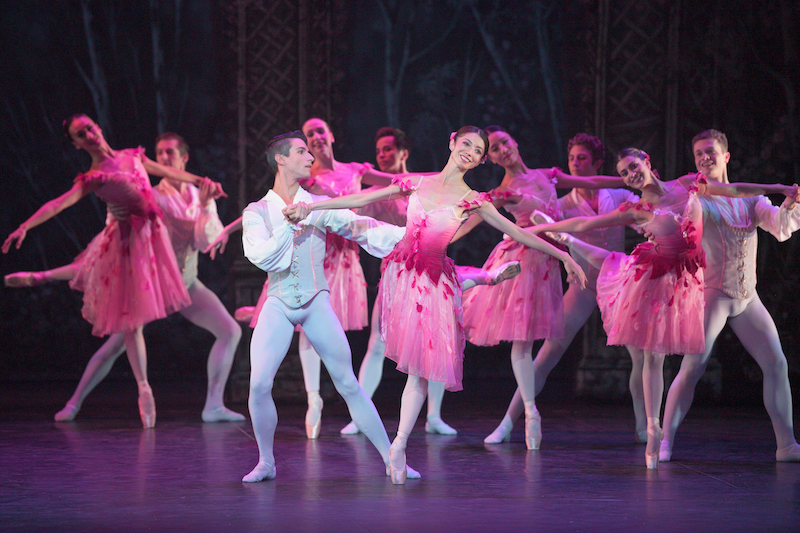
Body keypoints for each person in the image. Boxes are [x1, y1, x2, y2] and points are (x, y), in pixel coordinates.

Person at [284, 126, 588, 484]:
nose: (471, 152)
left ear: (479, 160)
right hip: (400, 273)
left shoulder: (474, 200)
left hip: (432, 285)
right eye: (467, 145)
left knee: (421, 373)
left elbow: (519, 232)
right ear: (452, 143)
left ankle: (397, 446)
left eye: (478, 151)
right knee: (385, 346)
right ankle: (388, 440)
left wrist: (564, 257)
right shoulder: (417, 182)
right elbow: (361, 201)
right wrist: (311, 207)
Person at [528, 147, 797, 468]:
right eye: (625, 172)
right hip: (659, 274)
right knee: (615, 272)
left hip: (688, 277)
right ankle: (661, 435)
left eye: (634, 166)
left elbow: (735, 189)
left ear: (647, 162)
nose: (631, 175)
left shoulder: (685, 185)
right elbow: (589, 223)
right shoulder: (637, 208)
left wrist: (778, 190)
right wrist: (540, 231)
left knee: (664, 358)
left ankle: (663, 432)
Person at [2, 114, 225, 428]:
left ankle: (43, 278)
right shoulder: (95, 176)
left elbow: (167, 171)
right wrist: (26, 225)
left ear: (99, 127)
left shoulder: (131, 157)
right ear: (78, 144)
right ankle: (144, 388)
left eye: (91, 127)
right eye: (82, 134)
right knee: (129, 324)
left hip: (152, 241)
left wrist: (201, 181)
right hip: (128, 244)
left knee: (115, 338)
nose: (90, 134)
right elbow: (58, 204)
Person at [241, 130, 420, 482]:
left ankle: (391, 458)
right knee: (259, 384)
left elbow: (360, 226)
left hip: (315, 301)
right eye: (301, 152)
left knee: (347, 383)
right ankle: (266, 461)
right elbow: (261, 256)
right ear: (280, 159)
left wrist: (409, 236)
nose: (310, 158)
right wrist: (289, 226)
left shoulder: (316, 205)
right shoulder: (257, 211)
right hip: (277, 303)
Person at [454, 127, 628, 450]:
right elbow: (472, 218)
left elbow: (591, 182)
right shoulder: (504, 190)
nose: (502, 150)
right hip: (523, 262)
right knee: (523, 345)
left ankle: (518, 420)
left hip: (550, 265)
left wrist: (631, 182)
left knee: (540, 346)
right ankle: (528, 415)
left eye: (504, 142)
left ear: (515, 141)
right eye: (493, 149)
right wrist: (439, 239)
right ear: (489, 158)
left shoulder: (548, 175)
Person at [660, 129, 800, 463]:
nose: (704, 158)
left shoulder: (750, 199)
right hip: (714, 295)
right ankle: (664, 442)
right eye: (698, 154)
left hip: (747, 297)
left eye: (710, 152)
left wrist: (791, 203)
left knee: (777, 364)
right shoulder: (697, 198)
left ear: (726, 157)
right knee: (694, 367)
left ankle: (786, 445)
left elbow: (780, 228)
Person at [339, 127, 458, 437]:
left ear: (404, 153)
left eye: (388, 149)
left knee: (434, 343)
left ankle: (433, 416)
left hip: (429, 275)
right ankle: (359, 416)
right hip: (394, 277)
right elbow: (353, 213)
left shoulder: (425, 187)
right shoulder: (382, 192)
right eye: (379, 150)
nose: (382, 154)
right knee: (377, 344)